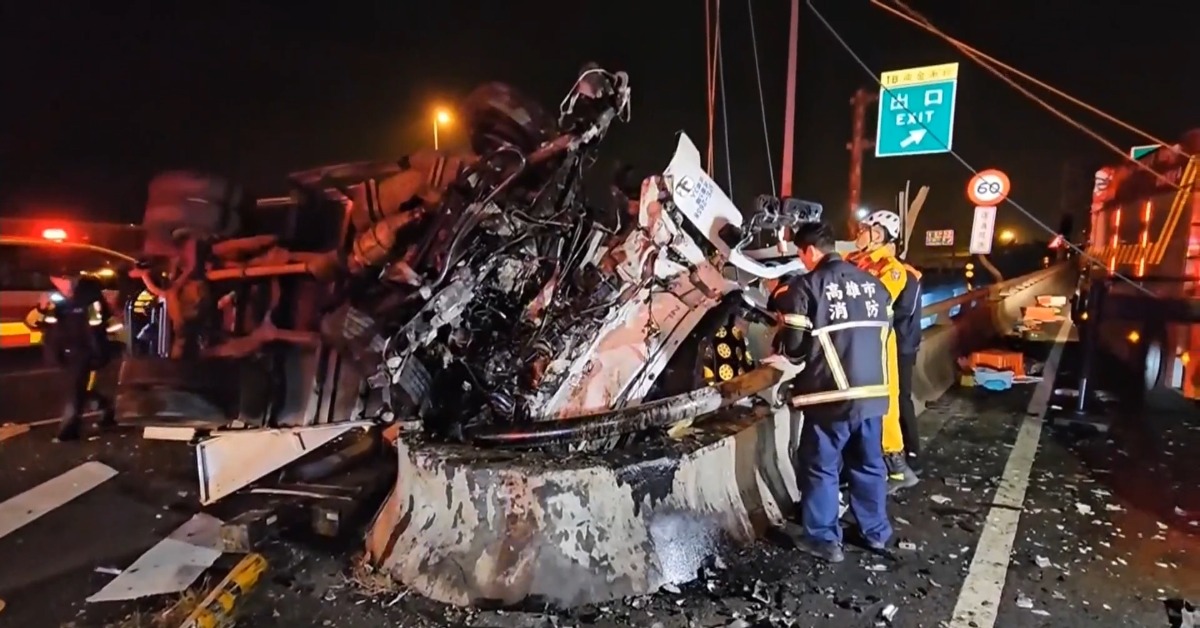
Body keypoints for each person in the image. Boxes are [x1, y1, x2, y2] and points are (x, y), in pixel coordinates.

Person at [769, 221, 893, 563]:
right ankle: (875, 534)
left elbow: (794, 350)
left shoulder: (806, 287)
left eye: (801, 255)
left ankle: (824, 539)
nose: (802, 261)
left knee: (821, 466)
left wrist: (781, 340)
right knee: (868, 465)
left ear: (809, 251)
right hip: (874, 394)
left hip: (830, 397)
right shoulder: (874, 285)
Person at [848, 210, 919, 493]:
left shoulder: (891, 269)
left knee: (886, 405)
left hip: (878, 342)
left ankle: (898, 469)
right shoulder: (854, 262)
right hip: (856, 343)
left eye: (864, 228)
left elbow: (876, 301)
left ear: (878, 234)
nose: (858, 233)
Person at [40, 274, 117, 441]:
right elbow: (49, 324)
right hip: (65, 349)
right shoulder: (57, 298)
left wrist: (97, 352)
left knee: (74, 391)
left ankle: (68, 430)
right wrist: (43, 309)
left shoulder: (90, 300)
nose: (55, 282)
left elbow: (95, 328)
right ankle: (106, 408)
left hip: (83, 350)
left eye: (60, 279)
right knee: (81, 389)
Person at [893, 261, 923, 461]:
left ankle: (911, 447)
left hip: (902, 346)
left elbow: (904, 310)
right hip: (900, 343)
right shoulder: (905, 275)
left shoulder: (908, 278)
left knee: (902, 397)